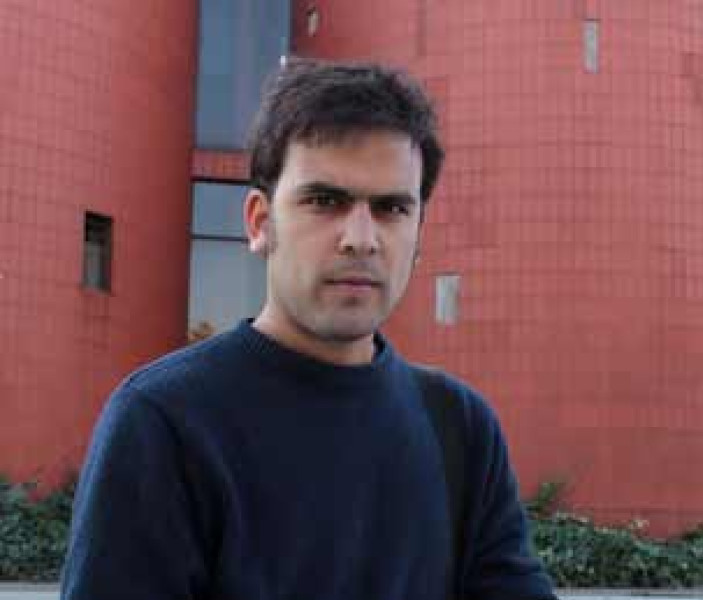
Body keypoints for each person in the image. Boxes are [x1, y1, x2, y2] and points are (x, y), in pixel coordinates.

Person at [61, 58, 557, 600]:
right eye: (325, 201)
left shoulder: (460, 429)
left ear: (418, 234)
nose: (361, 238)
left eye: (392, 208)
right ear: (259, 222)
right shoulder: (164, 423)